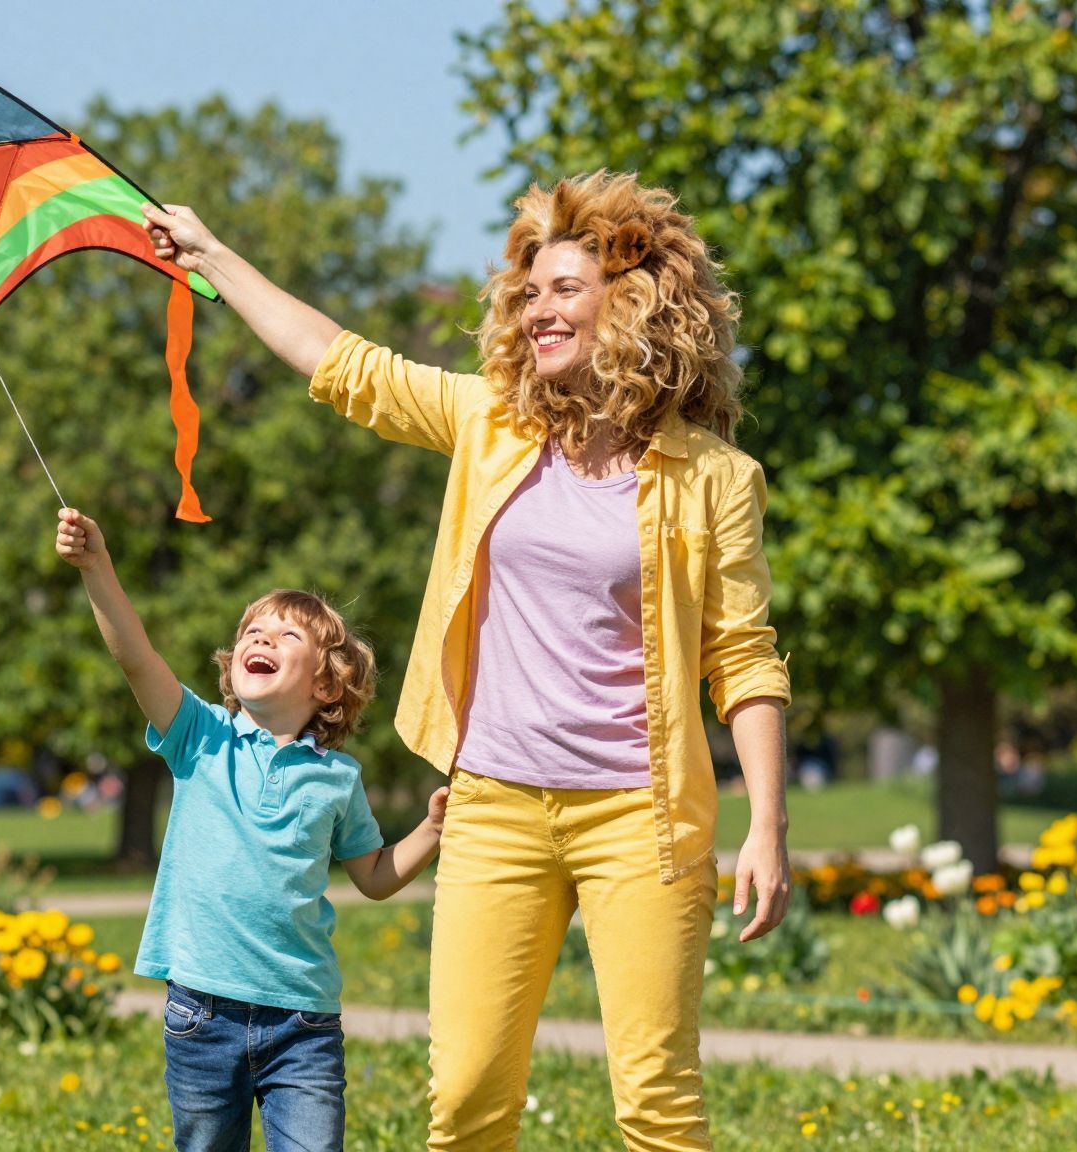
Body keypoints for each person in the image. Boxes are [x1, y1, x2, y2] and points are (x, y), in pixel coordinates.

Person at [144, 169, 792, 1151]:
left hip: (641, 818)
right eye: (526, 293)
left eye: (563, 288)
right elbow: (341, 364)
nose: (537, 308)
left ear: (633, 305)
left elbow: (741, 658)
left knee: (656, 1103)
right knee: (466, 1100)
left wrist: (767, 826)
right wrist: (213, 254)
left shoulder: (713, 477)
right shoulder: (490, 426)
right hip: (492, 805)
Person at [55, 505, 447, 1152]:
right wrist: (96, 567)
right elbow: (136, 658)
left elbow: (374, 876)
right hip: (201, 1013)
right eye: (252, 632)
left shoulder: (337, 779)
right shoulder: (199, 736)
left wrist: (430, 831)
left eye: (286, 638)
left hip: (304, 1022)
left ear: (327, 686)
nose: (261, 641)